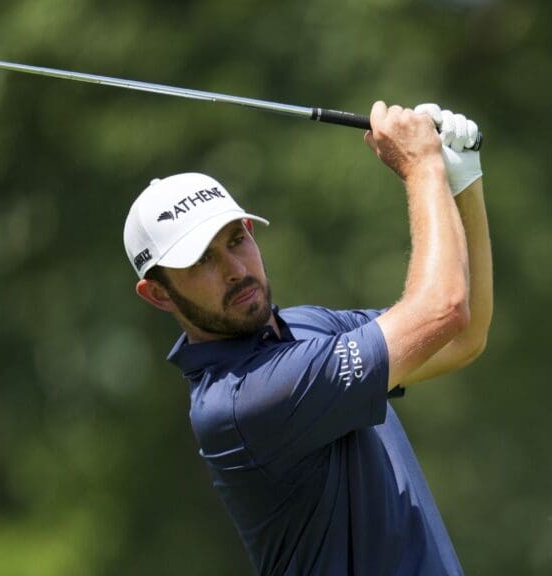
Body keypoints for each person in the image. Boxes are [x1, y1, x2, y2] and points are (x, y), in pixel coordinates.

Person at [123, 101, 492, 576]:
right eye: (201, 262)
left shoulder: (305, 330)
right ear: (158, 294)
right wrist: (422, 168)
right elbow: (442, 308)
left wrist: (463, 183)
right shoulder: (242, 401)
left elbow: (463, 337)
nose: (235, 271)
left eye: (236, 240)